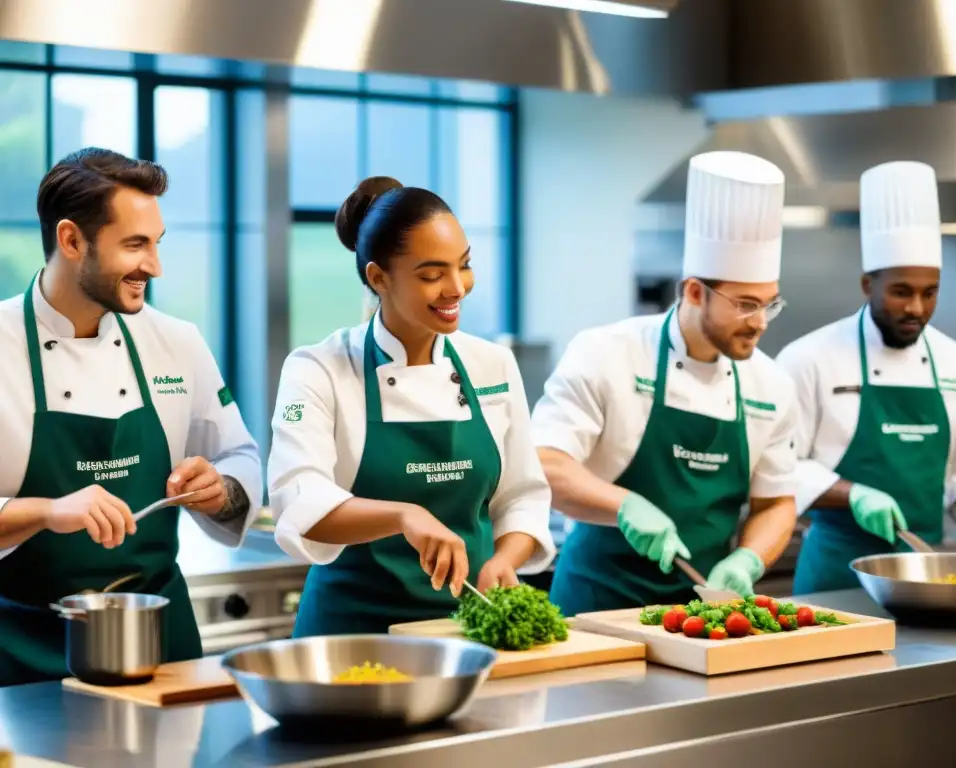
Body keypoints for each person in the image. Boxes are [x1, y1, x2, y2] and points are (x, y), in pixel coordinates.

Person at [0, 148, 263, 686]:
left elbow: (241, 458)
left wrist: (222, 489)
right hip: (24, 652)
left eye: (156, 243)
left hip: (161, 646)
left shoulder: (176, 342)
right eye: (135, 245)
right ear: (72, 241)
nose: (155, 266)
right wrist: (48, 511)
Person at [267, 176, 555, 635]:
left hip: (465, 630)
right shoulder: (318, 369)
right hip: (351, 634)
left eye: (464, 266)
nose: (456, 287)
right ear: (378, 278)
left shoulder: (492, 364)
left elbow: (521, 494)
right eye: (431, 274)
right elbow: (299, 498)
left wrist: (506, 558)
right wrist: (405, 515)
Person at [532, 151, 799, 617]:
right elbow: (545, 465)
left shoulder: (770, 383)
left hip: (703, 616)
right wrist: (624, 505)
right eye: (744, 305)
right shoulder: (606, 352)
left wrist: (749, 558)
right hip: (597, 608)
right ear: (694, 291)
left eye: (769, 305)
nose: (760, 323)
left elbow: (776, 502)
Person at [777, 161, 956, 594]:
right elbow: (777, 463)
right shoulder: (809, 358)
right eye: (901, 292)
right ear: (868, 284)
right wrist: (853, 495)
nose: (917, 309)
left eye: (930, 293)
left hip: (924, 569)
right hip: (835, 572)